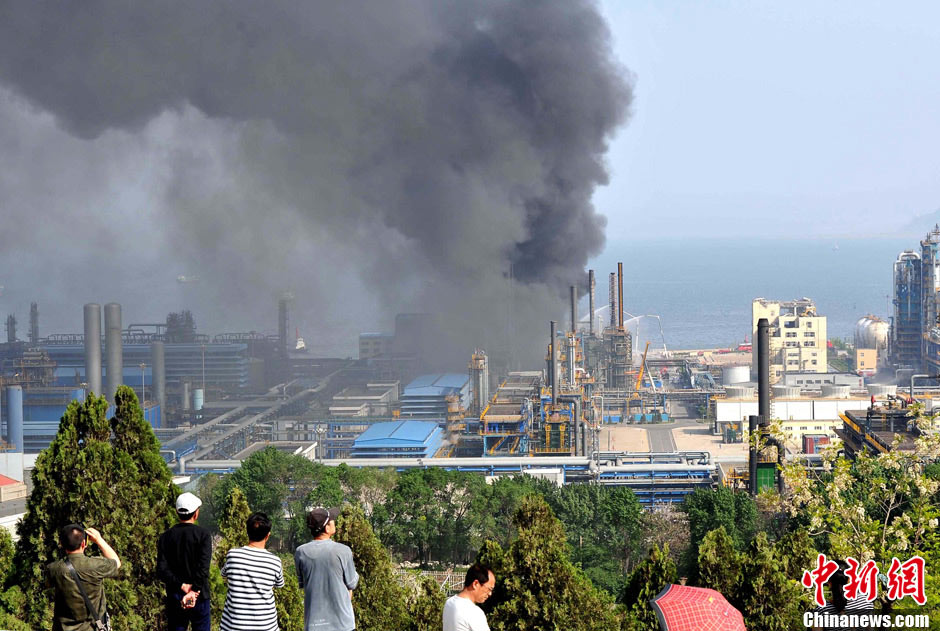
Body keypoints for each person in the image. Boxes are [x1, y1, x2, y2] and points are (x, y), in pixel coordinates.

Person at [294, 507, 359, 631]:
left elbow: (302, 583)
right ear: (327, 528)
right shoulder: (343, 551)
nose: (335, 521)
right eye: (332, 520)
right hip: (342, 624)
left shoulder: (300, 552)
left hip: (313, 624)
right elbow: (352, 583)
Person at [47, 524, 121, 631]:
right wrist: (99, 540)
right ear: (84, 543)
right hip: (93, 627)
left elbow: (49, 586)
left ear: (61, 544)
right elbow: (117, 563)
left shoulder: (53, 569)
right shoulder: (95, 565)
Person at [220, 512, 285, 631]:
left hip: (233, 626)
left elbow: (224, 574)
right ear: (268, 535)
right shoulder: (275, 561)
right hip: (266, 626)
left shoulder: (233, 555)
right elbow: (279, 584)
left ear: (247, 532)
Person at [157, 492, 212, 631]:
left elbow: (162, 570)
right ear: (196, 514)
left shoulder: (165, 537)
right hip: (200, 596)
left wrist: (182, 586)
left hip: (175, 596)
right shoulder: (203, 535)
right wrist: (194, 591)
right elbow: (203, 568)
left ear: (177, 512)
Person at [442, 564, 495, 631]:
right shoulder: (474, 612)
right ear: (475, 584)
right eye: (489, 589)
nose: (490, 593)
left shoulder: (449, 602)